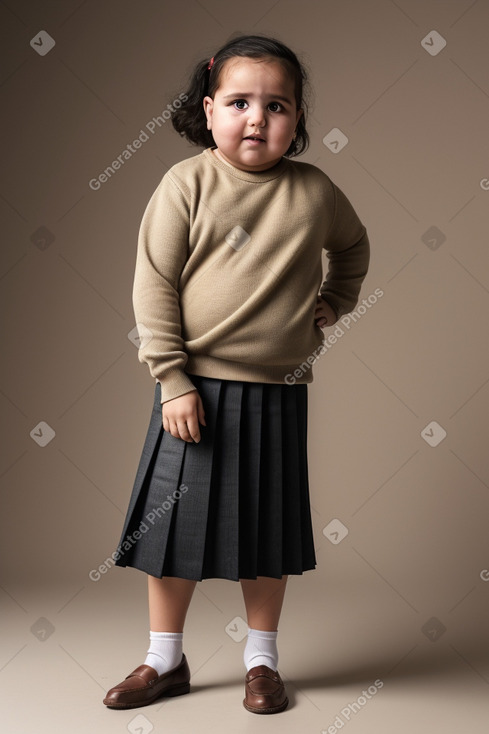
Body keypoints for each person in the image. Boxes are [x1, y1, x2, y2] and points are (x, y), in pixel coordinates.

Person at [103, 33, 370, 715]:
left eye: (277, 105)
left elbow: (352, 247)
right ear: (209, 109)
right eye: (240, 102)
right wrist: (172, 379)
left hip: (277, 391)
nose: (257, 118)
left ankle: (261, 662)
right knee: (168, 533)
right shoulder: (185, 183)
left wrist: (334, 300)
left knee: (265, 533)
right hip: (192, 392)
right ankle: (164, 659)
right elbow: (154, 286)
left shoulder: (313, 191)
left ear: (298, 120)